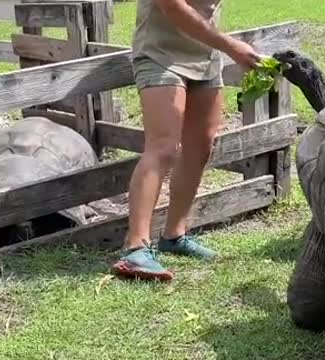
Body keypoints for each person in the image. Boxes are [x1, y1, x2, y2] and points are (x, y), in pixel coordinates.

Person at [110, 0, 261, 281]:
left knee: (201, 147)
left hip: (204, 59)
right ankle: (135, 247)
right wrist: (230, 46)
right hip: (160, 55)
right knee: (163, 147)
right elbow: (172, 7)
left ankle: (174, 235)